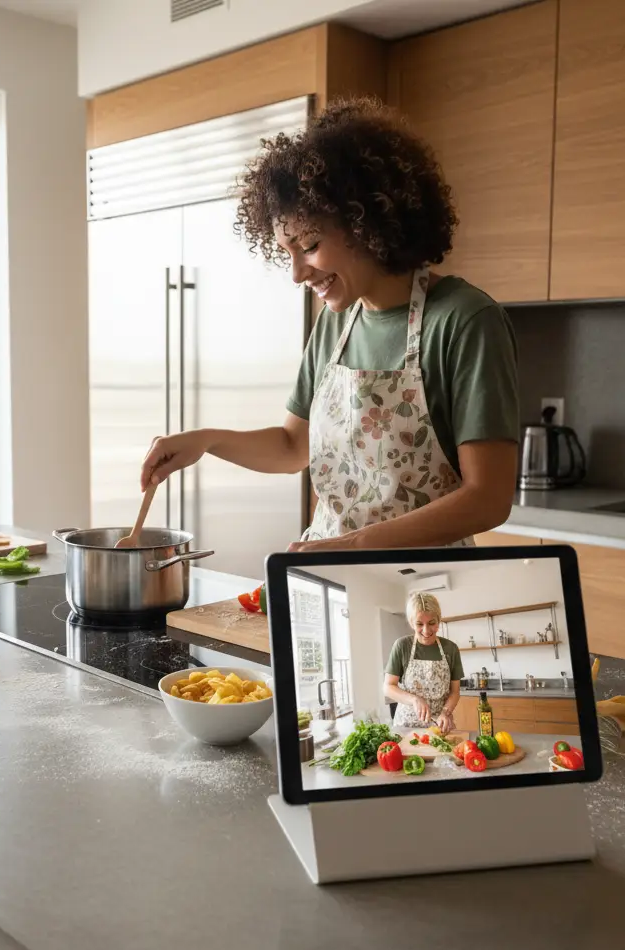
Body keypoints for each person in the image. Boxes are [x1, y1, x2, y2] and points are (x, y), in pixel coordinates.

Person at [139, 97, 519, 551]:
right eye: (288, 253)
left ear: (368, 222)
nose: (297, 274)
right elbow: (292, 447)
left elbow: (487, 498)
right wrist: (205, 441)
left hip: (427, 586)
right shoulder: (335, 324)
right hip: (326, 571)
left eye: (310, 246)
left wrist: (353, 547)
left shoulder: (464, 321)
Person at [384, 593, 462, 732]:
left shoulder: (450, 649)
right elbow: (388, 687)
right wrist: (414, 700)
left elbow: (455, 692)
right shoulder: (402, 646)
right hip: (406, 725)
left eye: (432, 623)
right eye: (419, 624)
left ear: (439, 620)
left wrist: (446, 712)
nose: (426, 631)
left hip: (440, 725)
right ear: (411, 622)